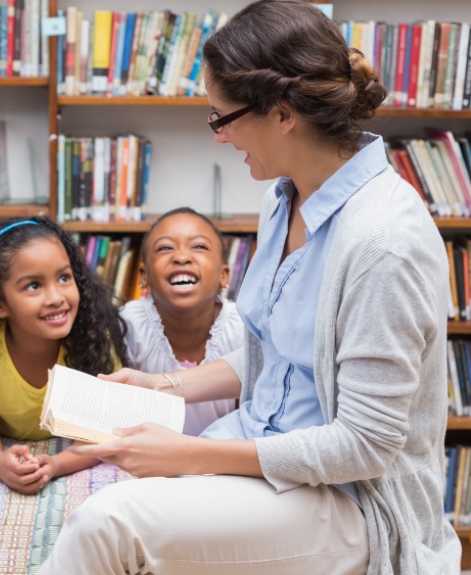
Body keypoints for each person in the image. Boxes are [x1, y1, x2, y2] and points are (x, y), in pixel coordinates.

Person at [39, 1, 459, 573]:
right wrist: (165, 385)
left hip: (351, 499)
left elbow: (365, 446)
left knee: (104, 526)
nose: (218, 136)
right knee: (108, 497)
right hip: (264, 445)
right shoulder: (282, 198)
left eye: (222, 118)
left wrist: (193, 455)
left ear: (283, 113)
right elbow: (277, 352)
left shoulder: (382, 243)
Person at [0, 217, 129, 494]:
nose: (55, 297)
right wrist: (1, 465)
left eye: (64, 278)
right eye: (33, 286)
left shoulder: (94, 338)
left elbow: (105, 429)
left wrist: (54, 465)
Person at [121, 208, 243, 436]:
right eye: (165, 248)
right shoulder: (129, 326)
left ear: (223, 275)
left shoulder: (241, 328)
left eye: (199, 246)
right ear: (144, 276)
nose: (182, 257)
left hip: (223, 458)